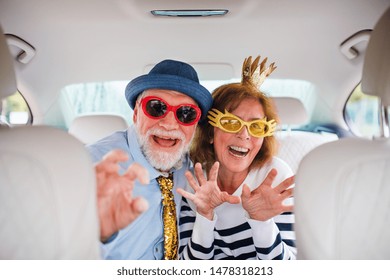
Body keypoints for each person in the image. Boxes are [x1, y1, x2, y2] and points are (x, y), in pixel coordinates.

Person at [87, 59, 212, 259]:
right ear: (136, 113)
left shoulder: (192, 167)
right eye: (156, 107)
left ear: (195, 126)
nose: (170, 124)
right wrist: (98, 236)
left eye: (186, 113)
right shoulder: (93, 168)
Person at [177, 55, 297, 260]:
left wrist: (262, 222)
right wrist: (204, 216)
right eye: (231, 123)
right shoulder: (193, 179)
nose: (244, 134)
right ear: (210, 132)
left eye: (256, 126)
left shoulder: (276, 177)